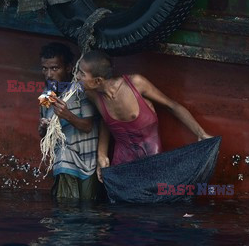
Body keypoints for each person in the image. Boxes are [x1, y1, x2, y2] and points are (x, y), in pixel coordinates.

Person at [77, 50, 212, 182]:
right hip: (121, 165)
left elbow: (172, 106)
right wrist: (102, 155)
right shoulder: (93, 95)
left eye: (82, 74)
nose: (77, 76)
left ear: (97, 81)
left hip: (152, 160)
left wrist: (200, 133)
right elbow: (105, 121)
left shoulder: (136, 84)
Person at [38, 42, 100, 200]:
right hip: (64, 162)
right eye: (45, 68)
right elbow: (45, 136)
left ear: (68, 68)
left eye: (54, 68)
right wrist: (43, 128)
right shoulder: (46, 95)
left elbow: (88, 126)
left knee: (88, 207)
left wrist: (67, 115)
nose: (49, 74)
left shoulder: (81, 91)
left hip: (88, 161)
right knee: (66, 208)